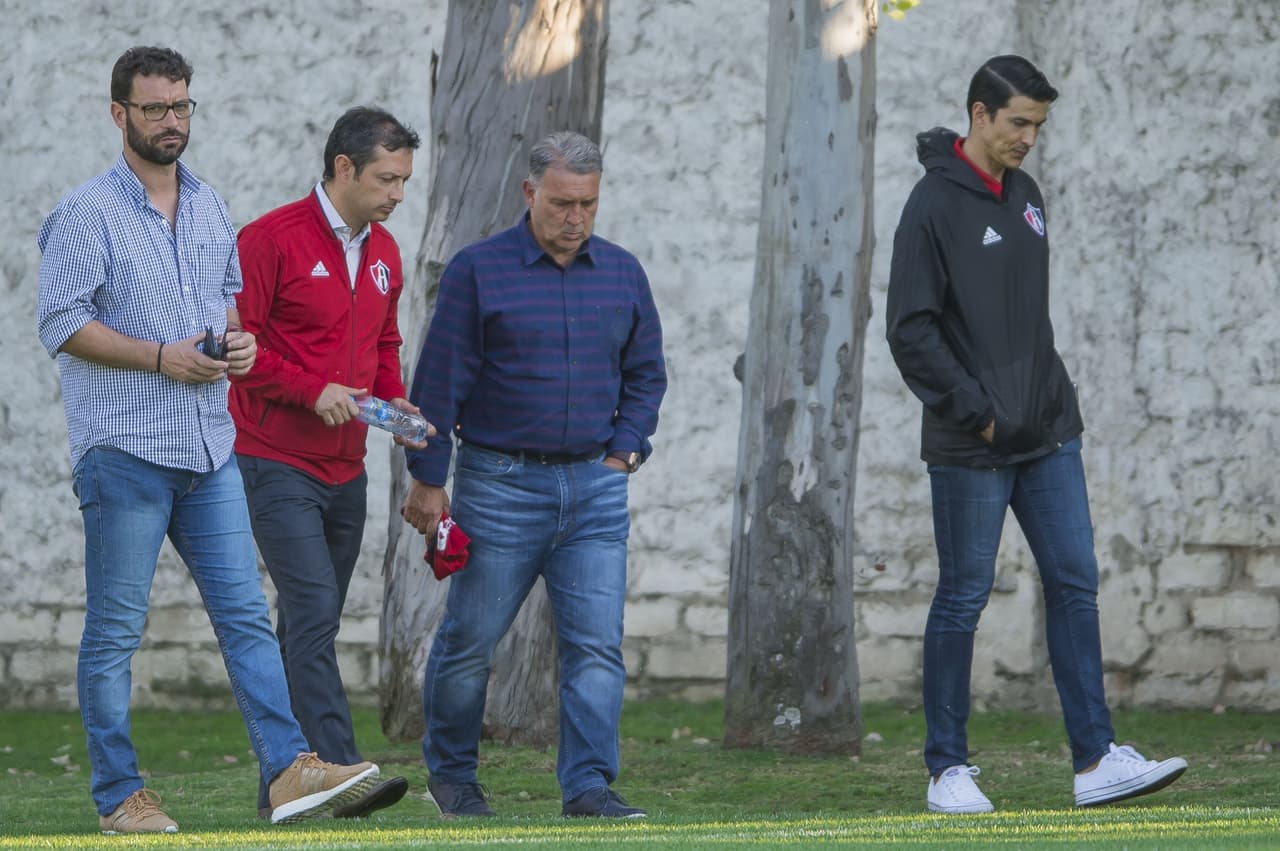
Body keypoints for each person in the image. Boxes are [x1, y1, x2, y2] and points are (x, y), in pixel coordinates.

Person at [36, 46, 381, 834]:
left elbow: (229, 310)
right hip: (123, 450)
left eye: (182, 106)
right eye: (155, 108)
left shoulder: (211, 204)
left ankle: (290, 768)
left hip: (207, 448)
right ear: (119, 113)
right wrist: (160, 356)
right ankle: (120, 794)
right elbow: (60, 324)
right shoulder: (85, 212)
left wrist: (242, 345)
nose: (171, 122)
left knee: (246, 617)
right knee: (117, 628)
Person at [885, 54, 1188, 814]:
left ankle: (1095, 760)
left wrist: (1042, 401)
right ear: (979, 115)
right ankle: (946, 770)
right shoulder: (930, 206)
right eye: (1019, 122)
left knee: (1075, 581)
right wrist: (977, 411)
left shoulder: (1026, 195)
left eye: (1038, 125)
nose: (1029, 138)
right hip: (972, 443)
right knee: (963, 595)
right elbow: (911, 330)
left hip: (1050, 431)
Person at [400, 131, 666, 819]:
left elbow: (645, 374)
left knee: (597, 650)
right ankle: (453, 779)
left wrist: (627, 449)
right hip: (499, 485)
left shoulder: (622, 273)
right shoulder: (477, 271)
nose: (575, 218)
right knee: (469, 642)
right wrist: (429, 477)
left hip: (596, 490)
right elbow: (438, 383)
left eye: (588, 204)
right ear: (529, 193)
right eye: (561, 203)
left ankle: (587, 786)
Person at [229, 106, 428, 820]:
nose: (397, 194)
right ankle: (347, 773)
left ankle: (280, 786)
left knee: (307, 623)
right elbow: (238, 349)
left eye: (404, 180)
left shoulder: (386, 253)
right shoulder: (269, 238)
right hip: (273, 459)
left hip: (349, 468)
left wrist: (396, 405)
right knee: (312, 612)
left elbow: (382, 348)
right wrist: (311, 390)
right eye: (386, 179)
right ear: (344, 167)